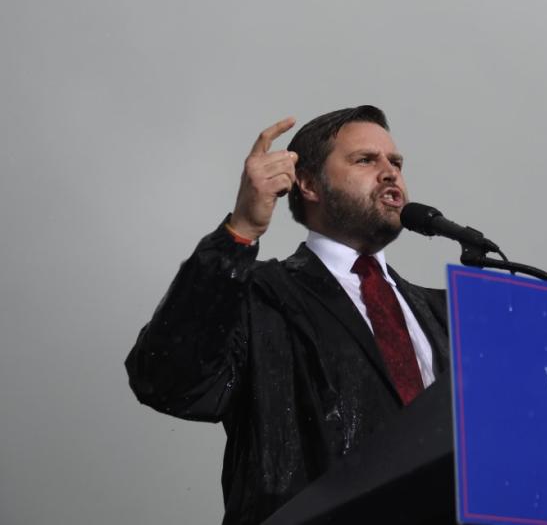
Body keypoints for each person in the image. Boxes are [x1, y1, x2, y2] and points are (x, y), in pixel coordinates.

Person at [125, 106, 449, 525]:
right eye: (365, 160)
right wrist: (240, 230)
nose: (390, 173)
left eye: (396, 162)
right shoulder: (259, 294)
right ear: (309, 184)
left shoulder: (445, 315)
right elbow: (168, 381)